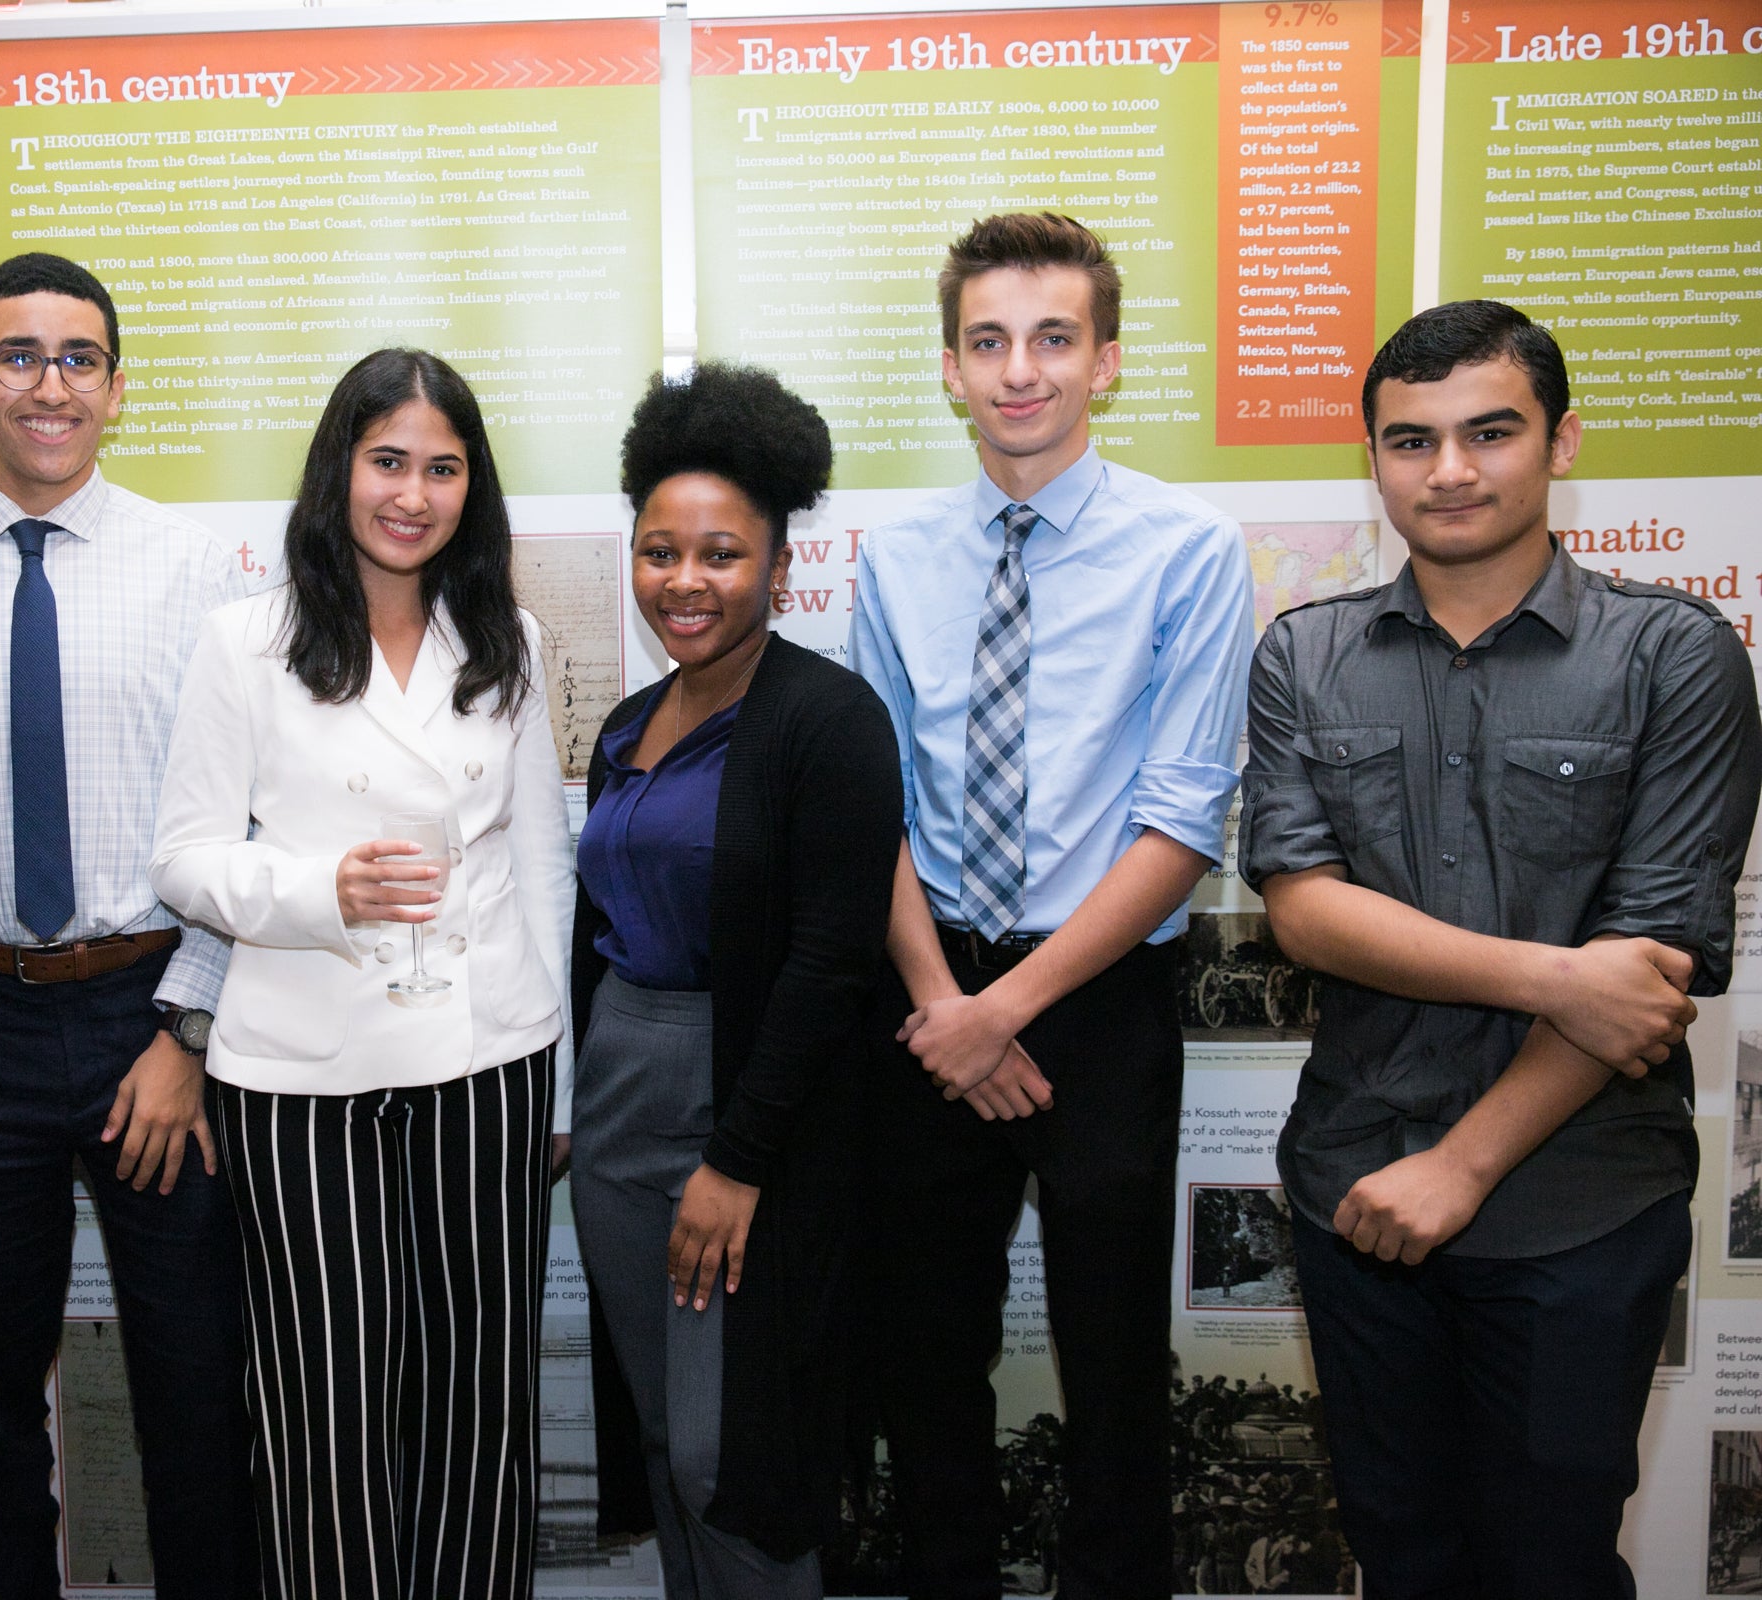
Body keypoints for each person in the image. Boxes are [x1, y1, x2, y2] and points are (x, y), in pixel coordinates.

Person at [1240, 300, 1762, 1595]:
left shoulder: (1676, 654)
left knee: (1552, 1565)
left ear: (1562, 441)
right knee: (1402, 1556)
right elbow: (1304, 909)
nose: (1451, 470)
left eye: (1490, 432)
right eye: (1410, 440)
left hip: (1582, 1207)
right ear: (1372, 458)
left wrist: (1462, 1167)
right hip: (1359, 1183)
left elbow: (1649, 975)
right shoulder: (1305, 653)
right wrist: (1550, 973)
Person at [847, 212, 1253, 1597]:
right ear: (953, 369)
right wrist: (941, 1005)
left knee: (1116, 1360)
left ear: (1109, 361)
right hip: (929, 985)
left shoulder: (1188, 551)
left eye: (1053, 339)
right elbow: (876, 813)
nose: (1021, 370)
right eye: (989, 341)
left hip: (1097, 1000)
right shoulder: (894, 560)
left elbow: (1184, 817)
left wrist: (1005, 1011)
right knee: (927, 1359)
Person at [150, 347, 573, 1600]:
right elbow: (182, 861)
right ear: (340, 468)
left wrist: (558, 1086)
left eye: (443, 468)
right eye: (389, 460)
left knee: (478, 1402)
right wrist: (316, 894)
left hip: (487, 1061)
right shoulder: (247, 642)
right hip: (298, 1075)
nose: (414, 493)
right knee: (319, 1408)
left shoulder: (512, 636)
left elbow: (544, 866)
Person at [0, 251, 256, 1599]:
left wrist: (190, 1025)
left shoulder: (194, 565)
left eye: (79, 359)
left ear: (115, 386)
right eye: (19, 356)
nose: (50, 386)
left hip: (150, 1016)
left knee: (191, 1390)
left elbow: (249, 815)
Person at [570, 364, 902, 1598]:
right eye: (661, 551)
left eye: (720, 552)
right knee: (662, 1434)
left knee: (735, 1451)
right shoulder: (627, 724)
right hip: (617, 1096)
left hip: (749, 1101)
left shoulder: (830, 718)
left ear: (777, 563)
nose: (686, 580)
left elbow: (830, 962)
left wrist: (738, 1159)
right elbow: (594, 918)